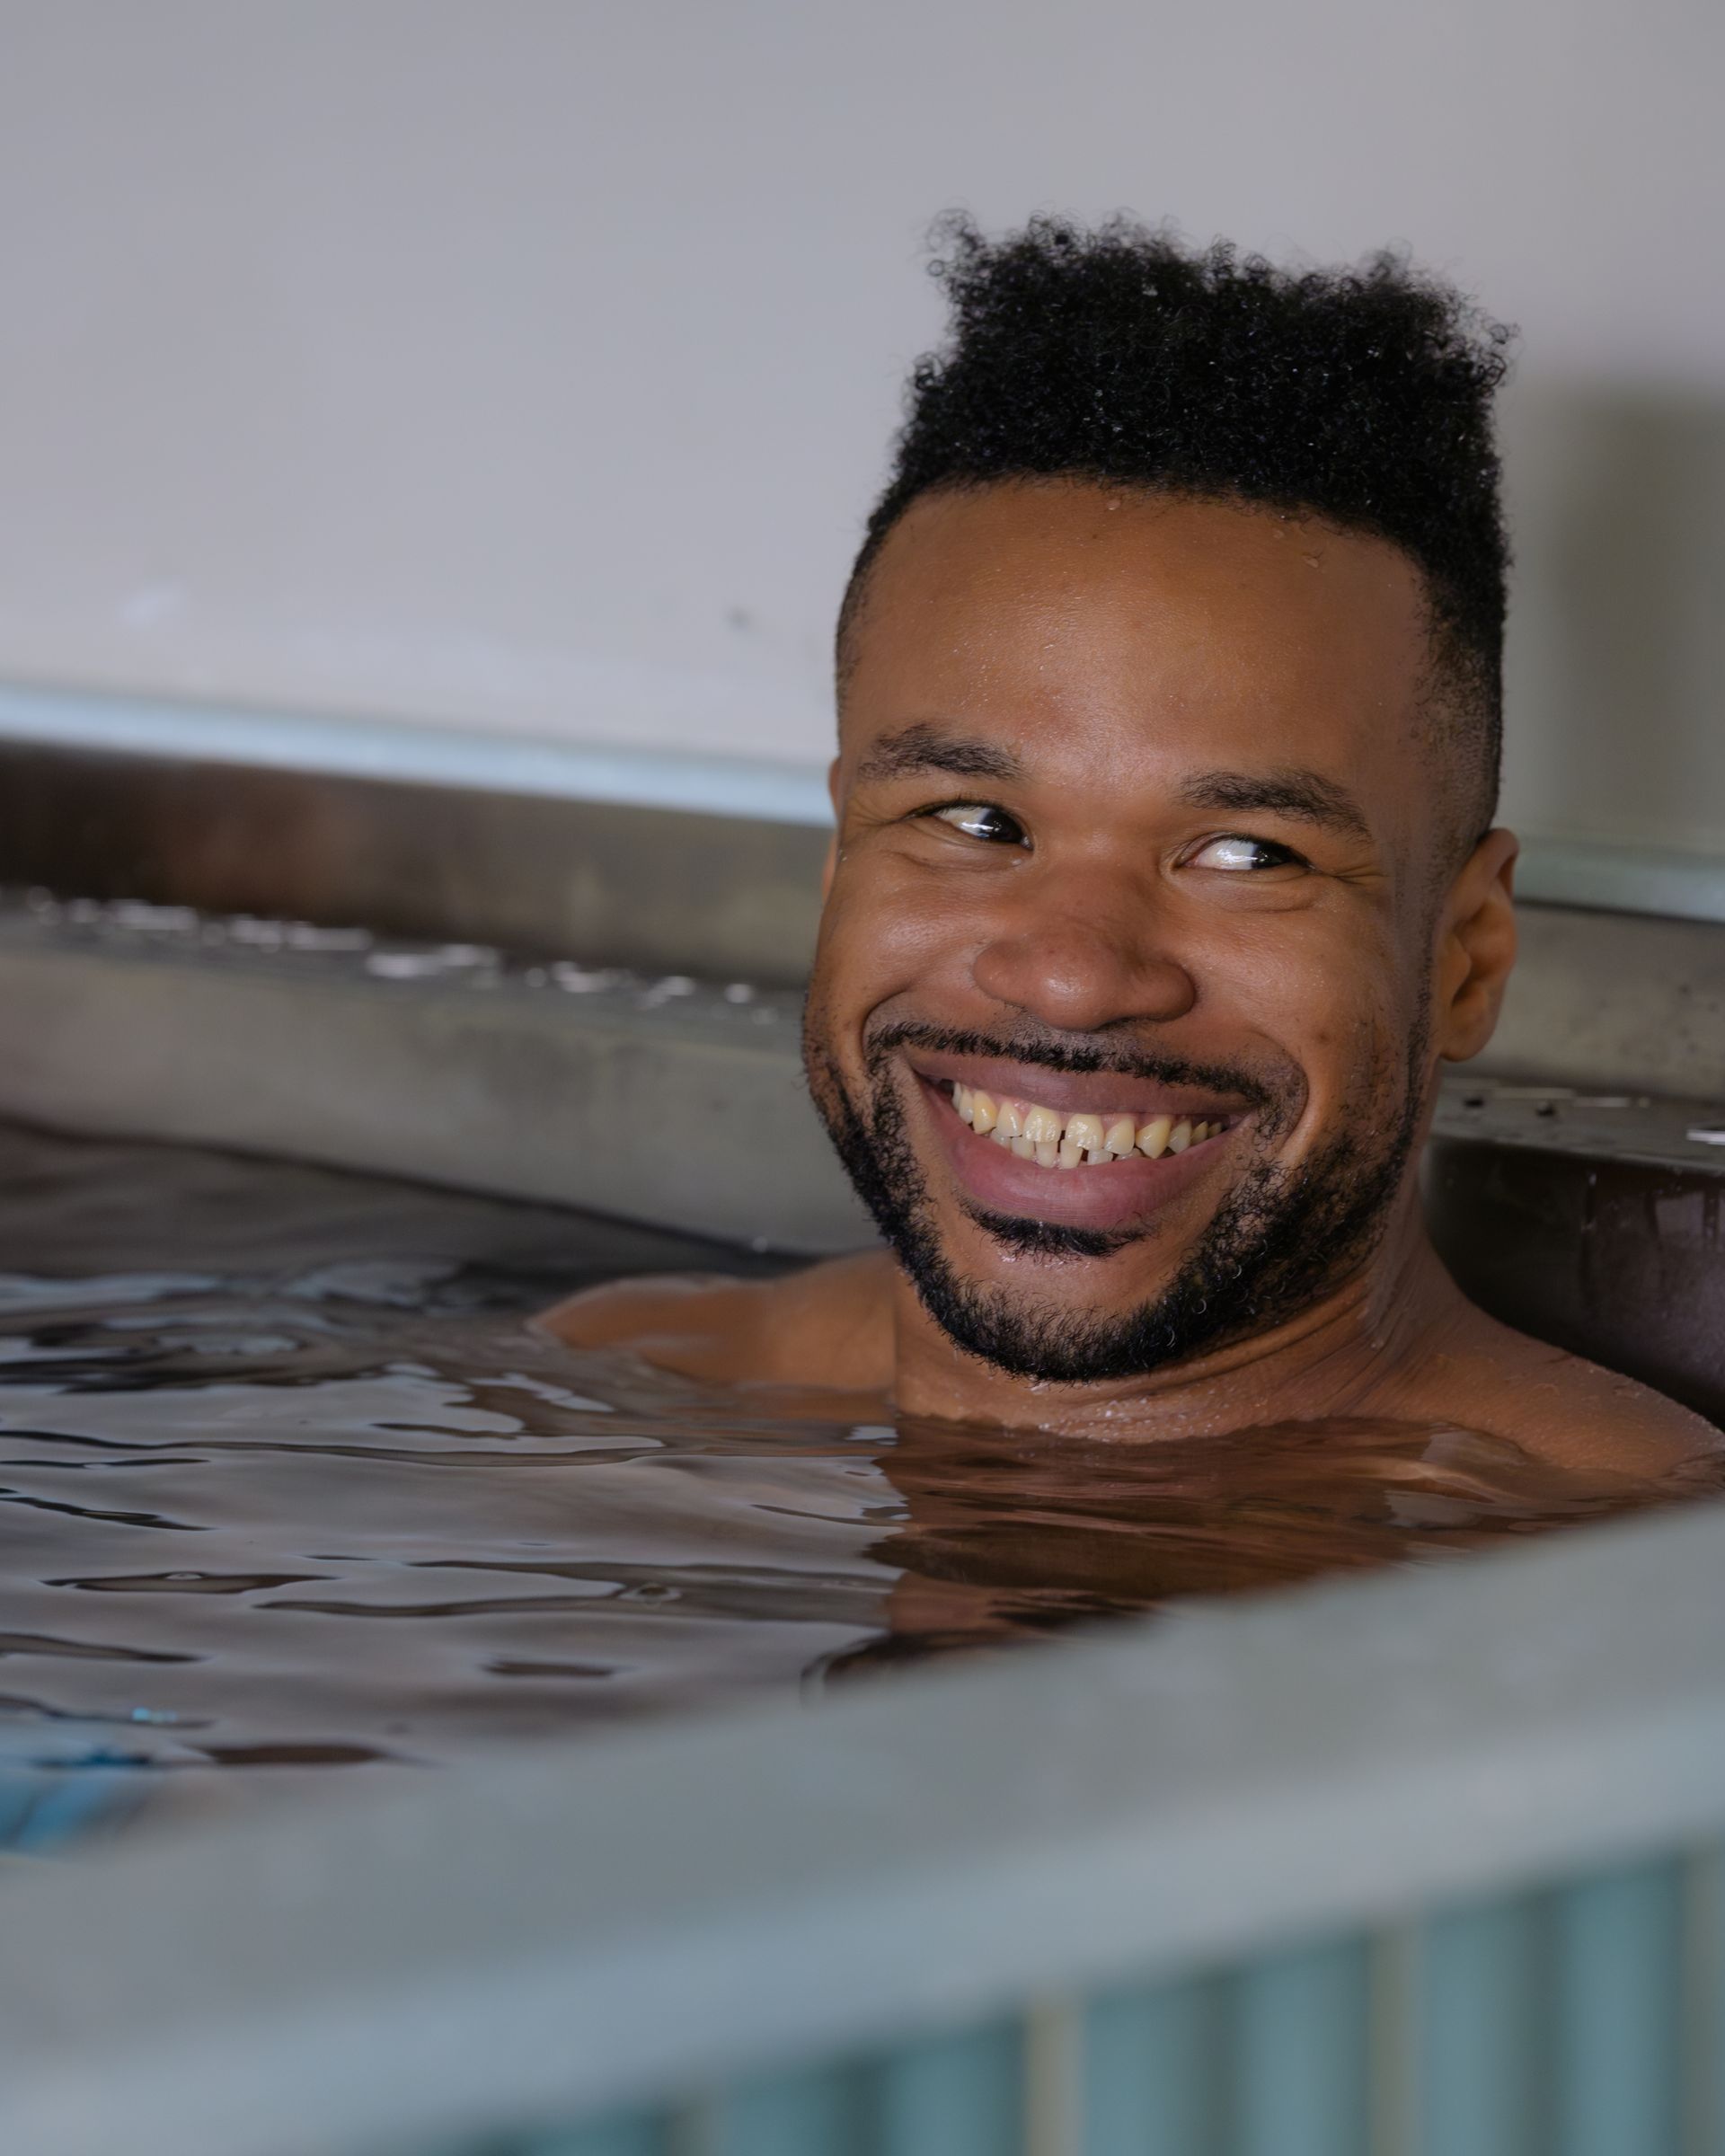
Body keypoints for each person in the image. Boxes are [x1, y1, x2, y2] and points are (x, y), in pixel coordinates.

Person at [544, 216, 1717, 1476]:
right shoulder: (613, 1394)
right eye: (978, 823)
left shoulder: (1631, 1577)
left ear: (1465, 962)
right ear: (841, 871)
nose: (1073, 975)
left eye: (1249, 854)